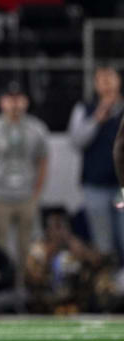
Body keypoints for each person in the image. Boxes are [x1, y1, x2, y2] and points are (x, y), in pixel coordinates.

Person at [0, 82, 49, 270]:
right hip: (0, 196)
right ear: (2, 102)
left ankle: (25, 288)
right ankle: (4, 284)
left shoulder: (37, 128)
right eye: (10, 99)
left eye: (19, 99)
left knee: (26, 246)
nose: (15, 104)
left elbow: (43, 162)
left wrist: (37, 193)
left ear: (26, 102)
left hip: (26, 196)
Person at [70, 65, 124, 259]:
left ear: (119, 81)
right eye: (101, 79)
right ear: (95, 84)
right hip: (95, 186)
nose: (106, 83)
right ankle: (107, 284)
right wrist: (96, 119)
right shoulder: (85, 109)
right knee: (102, 241)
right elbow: (76, 141)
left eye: (110, 78)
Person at [25, 206, 107, 314]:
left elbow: (98, 262)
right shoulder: (38, 248)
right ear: (48, 229)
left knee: (101, 283)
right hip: (47, 295)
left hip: (75, 296)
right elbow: (32, 278)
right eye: (57, 226)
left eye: (64, 226)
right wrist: (52, 251)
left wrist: (82, 253)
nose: (60, 231)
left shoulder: (75, 244)